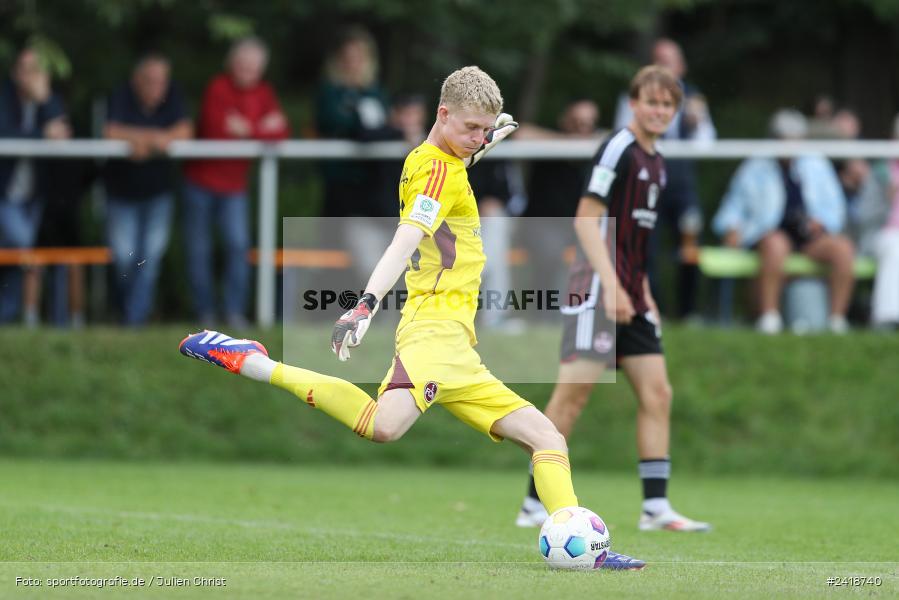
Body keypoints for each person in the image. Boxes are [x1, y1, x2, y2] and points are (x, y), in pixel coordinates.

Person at [180, 66, 646, 570]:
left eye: (484, 130)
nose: (478, 138)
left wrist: (487, 141)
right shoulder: (439, 170)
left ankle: (584, 546)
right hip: (433, 333)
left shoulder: (433, 158)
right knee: (386, 427)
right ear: (442, 114)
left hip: (458, 347)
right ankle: (254, 362)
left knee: (547, 438)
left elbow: (449, 181)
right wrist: (364, 304)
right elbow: (406, 238)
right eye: (471, 128)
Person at [515, 66, 712, 533]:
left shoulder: (658, 162)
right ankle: (533, 503)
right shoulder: (617, 148)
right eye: (651, 102)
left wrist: (640, 292)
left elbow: (635, 242)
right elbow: (586, 221)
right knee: (572, 399)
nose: (659, 111)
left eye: (668, 105)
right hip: (595, 291)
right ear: (634, 104)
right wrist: (614, 287)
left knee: (658, 392)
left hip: (630, 294)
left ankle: (656, 509)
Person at [712, 109, 854, 334]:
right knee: (775, 244)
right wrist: (731, 227)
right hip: (772, 235)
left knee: (843, 249)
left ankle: (836, 321)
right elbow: (732, 206)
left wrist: (823, 223)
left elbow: (836, 207)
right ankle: (770, 318)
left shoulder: (817, 164)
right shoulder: (755, 166)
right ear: (774, 139)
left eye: (796, 140)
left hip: (810, 238)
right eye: (785, 140)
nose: (790, 146)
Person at [183, 37, 289, 328]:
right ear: (231, 64)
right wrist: (260, 129)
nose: (247, 71)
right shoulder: (217, 87)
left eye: (253, 66)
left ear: (261, 69)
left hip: (234, 187)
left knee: (237, 246)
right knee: (198, 250)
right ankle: (204, 312)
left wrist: (246, 129)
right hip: (200, 182)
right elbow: (219, 130)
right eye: (242, 64)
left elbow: (281, 132)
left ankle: (233, 313)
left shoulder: (264, 92)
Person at [614, 39, 714, 321]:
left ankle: (689, 311)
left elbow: (707, 145)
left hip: (681, 185)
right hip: (644, 182)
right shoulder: (632, 99)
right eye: (658, 61)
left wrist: (697, 123)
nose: (663, 68)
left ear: (681, 67)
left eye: (668, 62)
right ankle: (648, 307)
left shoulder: (695, 100)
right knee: (645, 246)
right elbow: (623, 139)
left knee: (691, 242)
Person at [104, 53, 192, 326]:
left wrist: (146, 142)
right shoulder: (120, 95)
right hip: (121, 193)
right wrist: (155, 139)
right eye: (150, 81)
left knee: (150, 258)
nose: (157, 87)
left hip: (158, 193)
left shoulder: (174, 95)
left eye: (161, 81)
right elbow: (110, 131)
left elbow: (185, 131)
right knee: (123, 257)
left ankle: (134, 321)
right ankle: (126, 312)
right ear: (136, 81)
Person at [0, 46, 71, 324]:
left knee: (17, 256)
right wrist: (41, 134)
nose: (31, 77)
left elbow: (63, 131)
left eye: (37, 71)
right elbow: (6, 134)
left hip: (33, 197)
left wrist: (45, 98)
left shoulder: (48, 100)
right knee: (25, 248)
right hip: (5, 194)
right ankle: (12, 314)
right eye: (26, 70)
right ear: (15, 73)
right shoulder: (4, 97)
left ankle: (8, 315)